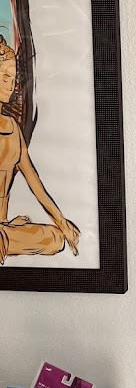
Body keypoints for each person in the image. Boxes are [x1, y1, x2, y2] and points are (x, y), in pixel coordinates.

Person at [0, 34, 80, 264]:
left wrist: (62, 221)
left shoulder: (13, 129)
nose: (11, 85)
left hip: (3, 229)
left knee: (56, 238)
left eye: (13, 78)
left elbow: (35, 183)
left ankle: (7, 234)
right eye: (5, 77)